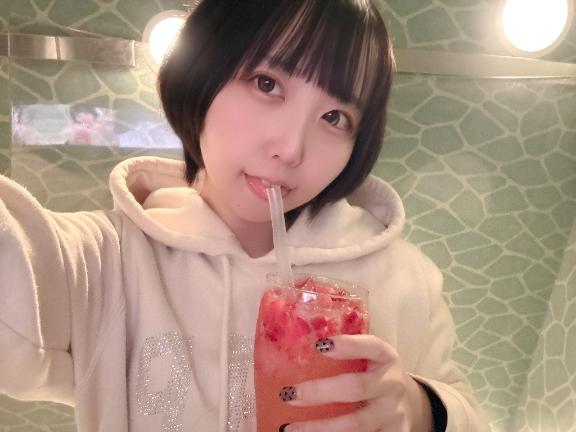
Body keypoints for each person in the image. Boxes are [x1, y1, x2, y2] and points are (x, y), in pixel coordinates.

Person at [0, 1, 491, 431]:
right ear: (203, 74)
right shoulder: (102, 262)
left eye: (334, 117)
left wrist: (420, 409)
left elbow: (469, 412)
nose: (290, 148)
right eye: (267, 83)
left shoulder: (403, 279)